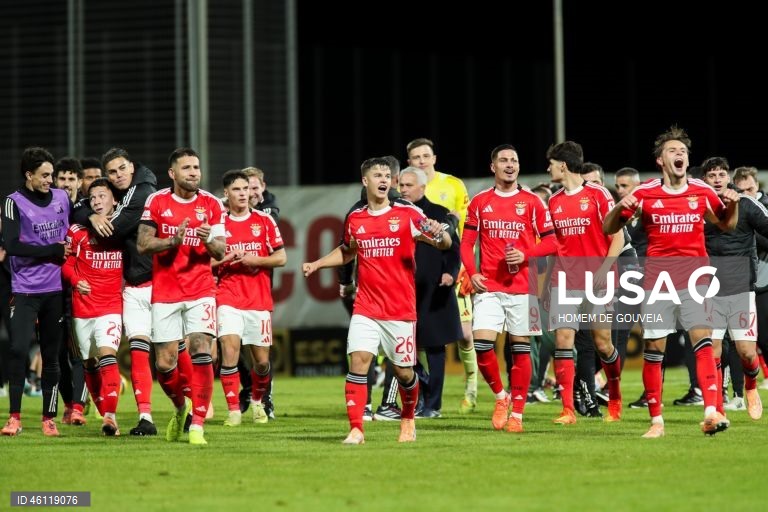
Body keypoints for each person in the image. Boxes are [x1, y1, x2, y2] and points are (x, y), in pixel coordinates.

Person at [303, 156, 451, 444]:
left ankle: (408, 419)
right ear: (365, 181)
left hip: (400, 309)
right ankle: (356, 428)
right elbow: (348, 251)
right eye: (377, 175)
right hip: (366, 307)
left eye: (387, 175)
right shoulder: (356, 219)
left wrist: (440, 234)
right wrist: (318, 264)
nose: (384, 180)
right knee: (358, 361)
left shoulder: (407, 215)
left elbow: (443, 243)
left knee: (404, 372)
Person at [603, 125, 739, 438]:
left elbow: (725, 225)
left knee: (702, 340)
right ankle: (657, 422)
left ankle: (710, 411)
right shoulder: (645, 192)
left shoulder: (701, 191)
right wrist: (618, 208)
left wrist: (731, 204)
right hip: (657, 282)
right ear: (661, 160)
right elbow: (609, 227)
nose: (679, 154)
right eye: (672, 151)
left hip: (695, 278)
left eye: (683, 151)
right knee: (654, 347)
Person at [460, 144, 557, 433]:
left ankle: (518, 413)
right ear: (493, 166)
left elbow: (552, 242)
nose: (510, 164)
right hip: (489, 286)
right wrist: (473, 272)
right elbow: (467, 244)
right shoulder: (480, 202)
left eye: (514, 160)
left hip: (523, 287)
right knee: (482, 345)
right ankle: (501, 398)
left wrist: (526, 254)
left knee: (521, 349)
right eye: (503, 160)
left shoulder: (532, 202)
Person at [137, 147, 226, 446]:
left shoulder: (212, 204)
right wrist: (172, 241)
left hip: (201, 289)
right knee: (164, 364)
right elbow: (143, 244)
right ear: (173, 173)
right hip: (165, 292)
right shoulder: (157, 201)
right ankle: (180, 408)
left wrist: (209, 239)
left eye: (197, 167)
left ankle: (198, 424)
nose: (194, 173)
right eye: (187, 168)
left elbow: (221, 251)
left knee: (202, 349)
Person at [71, 147, 160, 436]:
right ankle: (132, 415)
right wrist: (88, 215)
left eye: (122, 169)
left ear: (132, 167)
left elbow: (112, 226)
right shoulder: (106, 202)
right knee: (106, 357)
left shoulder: (144, 191)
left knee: (172, 352)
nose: (118, 175)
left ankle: (192, 404)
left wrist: (93, 219)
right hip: (129, 290)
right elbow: (80, 208)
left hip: (158, 284)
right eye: (112, 172)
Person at [545, 146, 625, 425]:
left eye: (552, 164)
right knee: (563, 342)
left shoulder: (598, 194)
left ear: (564, 166)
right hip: (565, 281)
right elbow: (554, 244)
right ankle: (567, 409)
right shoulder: (553, 202)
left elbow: (618, 237)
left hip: (597, 280)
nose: (548, 169)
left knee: (603, 344)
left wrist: (605, 271)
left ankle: (614, 396)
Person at [1, 147, 71, 437]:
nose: (49, 181)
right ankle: (14, 417)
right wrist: (51, 251)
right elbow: (12, 245)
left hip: (55, 290)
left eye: (51, 175)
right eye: (44, 175)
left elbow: (75, 222)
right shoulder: (12, 202)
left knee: (51, 356)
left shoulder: (62, 198)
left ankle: (48, 418)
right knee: (18, 349)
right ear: (28, 175)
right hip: (24, 290)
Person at [407, 138, 477, 413]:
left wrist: (468, 266)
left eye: (426, 155)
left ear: (434, 158)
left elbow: (468, 228)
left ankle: (471, 388)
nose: (422, 160)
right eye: (416, 157)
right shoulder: (405, 186)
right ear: (410, 161)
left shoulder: (453, 185)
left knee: (465, 334)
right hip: (416, 275)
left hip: (452, 269)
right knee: (417, 338)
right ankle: (424, 393)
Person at [215, 170, 286, 426]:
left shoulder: (265, 221)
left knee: (262, 363)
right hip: (228, 297)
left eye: (246, 189)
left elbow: (281, 257)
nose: (243, 194)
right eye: (237, 190)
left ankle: (257, 401)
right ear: (226, 194)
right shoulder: (218, 224)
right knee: (230, 352)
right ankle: (233, 409)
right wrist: (227, 257)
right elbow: (207, 263)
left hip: (258, 299)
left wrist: (255, 259)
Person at [700, 157, 765, 420]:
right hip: (708, 289)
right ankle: (717, 407)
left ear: (728, 178)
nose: (717, 178)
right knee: (712, 349)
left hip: (741, 289)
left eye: (721, 174)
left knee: (747, 353)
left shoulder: (747, 205)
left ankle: (750, 386)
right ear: (705, 180)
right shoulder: (697, 206)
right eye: (711, 174)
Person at [62, 178, 124, 436]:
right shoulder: (77, 231)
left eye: (103, 196)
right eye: (93, 197)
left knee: (108, 356)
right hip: (83, 307)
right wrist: (77, 281)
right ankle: (103, 409)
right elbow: (65, 264)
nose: (98, 201)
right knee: (89, 364)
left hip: (111, 306)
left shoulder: (122, 230)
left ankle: (110, 417)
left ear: (114, 200)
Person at [398, 167, 462, 418]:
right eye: (401, 184)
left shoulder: (438, 213)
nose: (403, 189)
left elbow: (453, 250)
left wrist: (450, 273)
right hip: (403, 291)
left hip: (434, 291)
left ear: (422, 188)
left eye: (408, 185)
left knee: (435, 349)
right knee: (402, 349)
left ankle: (433, 405)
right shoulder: (395, 213)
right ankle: (424, 390)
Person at [237, 166, 280, 419]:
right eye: (245, 188)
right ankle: (247, 392)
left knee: (260, 352)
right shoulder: (227, 211)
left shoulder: (269, 210)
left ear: (263, 188)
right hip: (228, 290)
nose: (250, 193)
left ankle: (264, 397)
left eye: (254, 188)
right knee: (228, 348)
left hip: (258, 289)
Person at [733, 166, 768, 392]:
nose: (746, 193)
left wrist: (749, 232)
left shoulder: (763, 211)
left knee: (764, 336)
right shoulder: (735, 208)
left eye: (750, 188)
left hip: (765, 282)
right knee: (747, 342)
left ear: (758, 186)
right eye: (741, 190)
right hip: (742, 283)